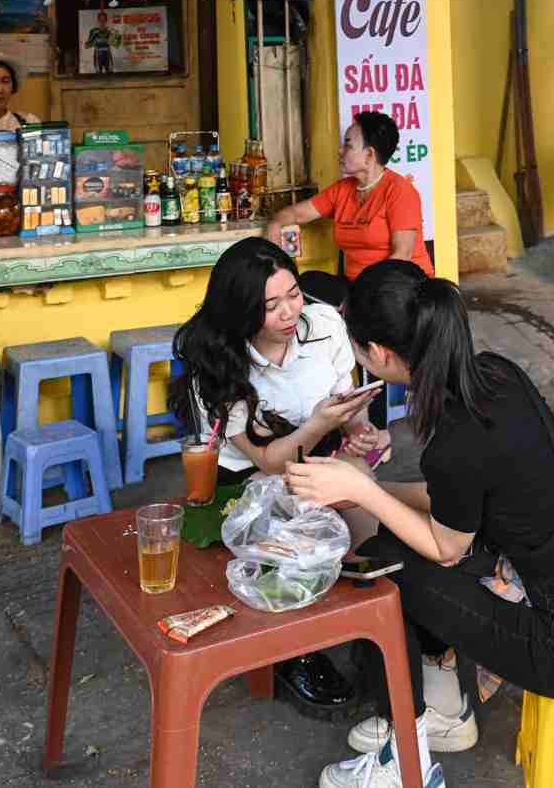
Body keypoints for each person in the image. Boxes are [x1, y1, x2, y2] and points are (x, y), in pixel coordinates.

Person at [288, 261, 554, 788]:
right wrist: (369, 487)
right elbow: (458, 502)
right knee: (393, 540)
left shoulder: (456, 439)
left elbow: (446, 546)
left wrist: (360, 490)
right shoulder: (495, 375)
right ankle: (444, 706)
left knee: (387, 562)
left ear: (380, 354)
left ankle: (402, 746)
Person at [175, 237, 417, 718]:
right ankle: (296, 654)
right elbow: (266, 462)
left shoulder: (324, 325)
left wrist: (366, 432)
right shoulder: (218, 363)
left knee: (379, 549)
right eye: (271, 306)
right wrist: (321, 425)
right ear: (242, 311)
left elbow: (345, 407)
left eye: (294, 295)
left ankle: (383, 650)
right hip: (246, 483)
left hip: (317, 460)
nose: (290, 313)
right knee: (293, 555)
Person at [269, 111, 433, 309]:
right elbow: (295, 214)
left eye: (348, 145)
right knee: (303, 283)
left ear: (369, 155)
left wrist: (364, 298)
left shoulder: (400, 191)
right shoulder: (342, 190)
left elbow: (401, 256)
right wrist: (275, 224)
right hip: (355, 288)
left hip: (400, 289)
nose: (340, 150)